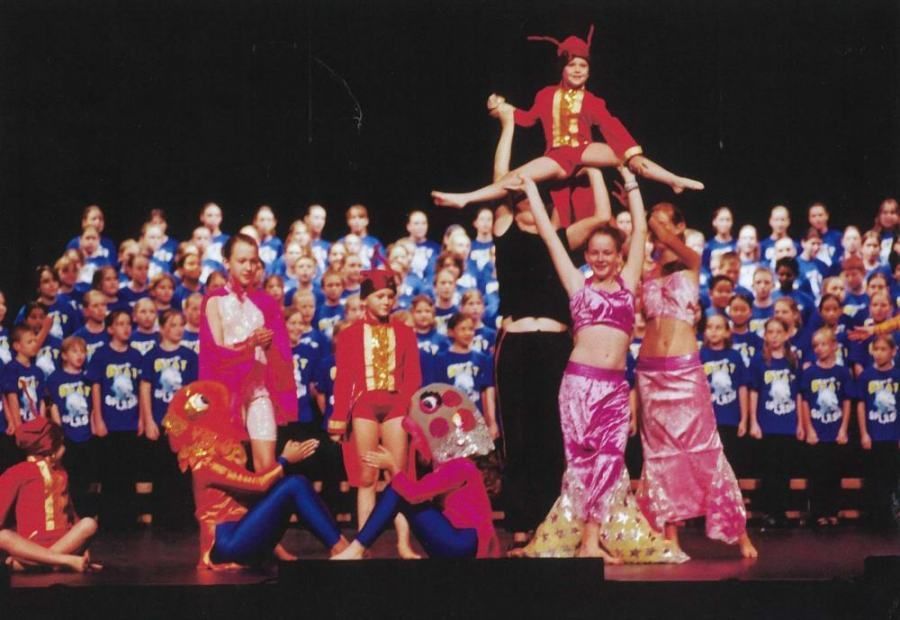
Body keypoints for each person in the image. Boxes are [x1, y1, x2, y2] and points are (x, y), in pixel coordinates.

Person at [509, 161, 646, 560]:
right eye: (594, 252)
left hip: (615, 388)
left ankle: (591, 540)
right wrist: (532, 189)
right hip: (578, 385)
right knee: (580, 463)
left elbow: (639, 232)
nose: (601, 258)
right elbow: (551, 238)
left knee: (610, 460)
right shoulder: (576, 283)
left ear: (618, 256)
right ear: (586, 254)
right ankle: (579, 540)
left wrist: (632, 182)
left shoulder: (629, 282)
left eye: (608, 252)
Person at [431, 26, 703, 211]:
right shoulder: (545, 95)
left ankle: (673, 179)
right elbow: (525, 119)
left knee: (629, 157)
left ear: (589, 71)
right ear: (561, 68)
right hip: (557, 156)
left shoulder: (593, 101)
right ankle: (466, 199)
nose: (577, 70)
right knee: (517, 178)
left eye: (583, 65)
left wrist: (626, 150)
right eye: (571, 65)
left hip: (585, 150)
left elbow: (610, 126)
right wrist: (501, 106)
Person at [636, 201, 756, 558]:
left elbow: (676, 247)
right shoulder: (648, 271)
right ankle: (670, 533)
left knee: (704, 447)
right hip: (650, 371)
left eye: (663, 222)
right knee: (659, 456)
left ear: (679, 224)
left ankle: (738, 531)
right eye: (652, 222)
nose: (656, 228)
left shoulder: (692, 259)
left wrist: (660, 231)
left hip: (684, 370)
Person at [161, 381, 347, 568]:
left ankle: (338, 544)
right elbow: (258, 484)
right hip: (225, 545)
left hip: (241, 534)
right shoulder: (205, 462)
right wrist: (284, 460)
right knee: (294, 484)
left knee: (296, 484)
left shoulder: (221, 453)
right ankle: (339, 546)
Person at [332, 384, 500, 559]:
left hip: (463, 543)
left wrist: (392, 466)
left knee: (396, 490)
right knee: (398, 491)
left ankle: (357, 549)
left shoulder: (461, 466)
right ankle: (359, 548)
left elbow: (413, 494)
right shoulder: (454, 465)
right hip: (459, 540)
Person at [327, 269, 422, 559]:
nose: (387, 301)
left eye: (391, 296)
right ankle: (362, 547)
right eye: (381, 296)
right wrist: (338, 417)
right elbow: (343, 380)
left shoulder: (405, 333)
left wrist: (407, 406)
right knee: (366, 478)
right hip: (364, 406)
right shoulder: (349, 335)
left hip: (395, 406)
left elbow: (413, 376)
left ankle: (403, 544)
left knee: (398, 476)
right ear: (365, 299)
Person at [200, 233, 295, 471]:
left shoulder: (267, 303)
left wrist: (270, 345)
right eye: (242, 261)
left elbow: (282, 354)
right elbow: (216, 351)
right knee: (233, 467)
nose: (249, 267)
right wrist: (250, 344)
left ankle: (271, 509)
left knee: (267, 466)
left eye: (253, 261)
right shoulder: (214, 301)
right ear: (227, 262)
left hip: (259, 390)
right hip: (227, 393)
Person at [0, 417, 100, 572]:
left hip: (63, 541)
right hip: (30, 546)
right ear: (50, 449)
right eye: (61, 444)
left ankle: (33, 565)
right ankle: (63, 560)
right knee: (3, 536)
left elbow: (71, 512)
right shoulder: (18, 472)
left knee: (89, 524)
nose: (65, 448)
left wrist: (83, 547)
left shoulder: (61, 473)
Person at [747, 317, 802, 528]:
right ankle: (768, 512)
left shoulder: (792, 360)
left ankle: (781, 513)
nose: (775, 336)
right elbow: (754, 392)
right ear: (765, 335)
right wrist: (754, 422)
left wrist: (799, 423)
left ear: (787, 335)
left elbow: (798, 394)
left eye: (779, 332)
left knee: (785, 470)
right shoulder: (760, 361)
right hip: (767, 423)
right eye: (770, 332)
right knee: (768, 470)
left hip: (787, 424)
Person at [799, 327, 852, 527]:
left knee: (834, 473)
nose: (819, 349)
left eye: (823, 344)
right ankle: (818, 512)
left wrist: (843, 428)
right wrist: (809, 428)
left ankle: (833, 512)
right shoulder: (810, 372)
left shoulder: (842, 372)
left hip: (835, 431)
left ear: (834, 346)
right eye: (816, 346)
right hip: (816, 431)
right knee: (817, 473)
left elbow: (847, 401)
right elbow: (804, 401)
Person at [855, 335, 900, 530]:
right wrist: (864, 433)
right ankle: (874, 516)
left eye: (883, 349)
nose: (879, 353)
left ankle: (890, 514)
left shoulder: (898, 375)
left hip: (893, 434)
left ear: (893, 351)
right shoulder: (866, 375)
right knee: (874, 477)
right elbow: (861, 405)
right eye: (876, 349)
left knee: (891, 476)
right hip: (874, 434)